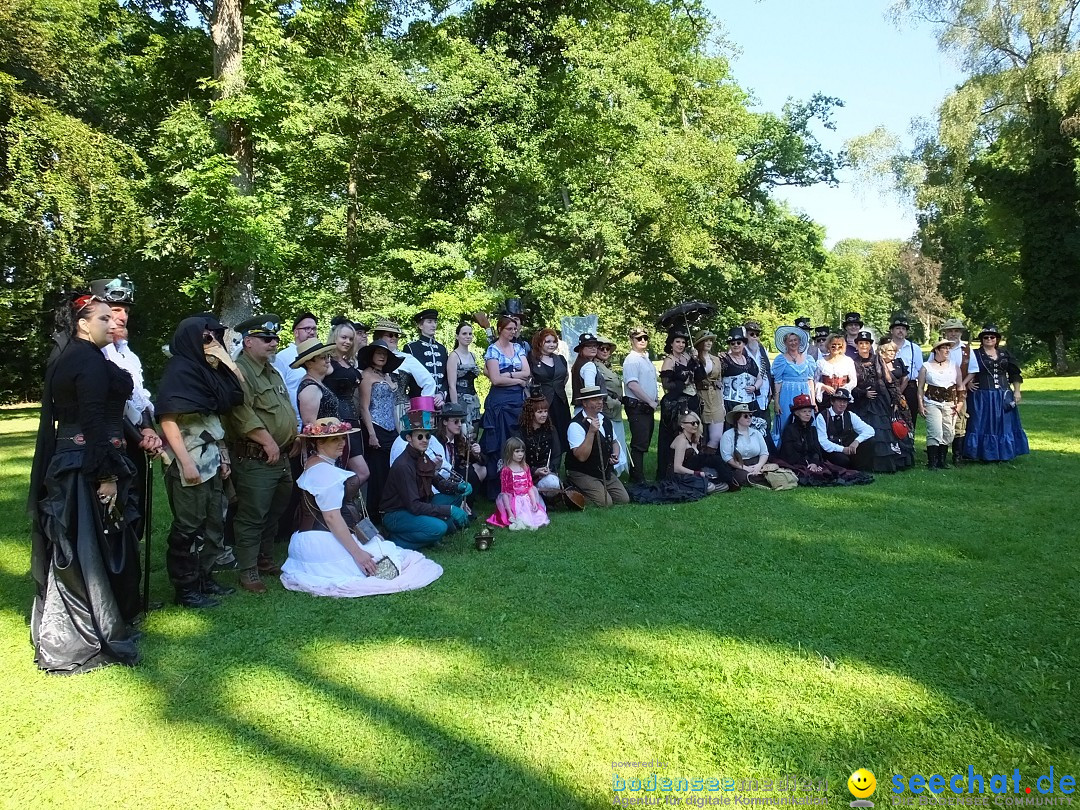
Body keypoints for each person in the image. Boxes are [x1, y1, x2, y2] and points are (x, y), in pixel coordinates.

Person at [29, 294, 142, 673]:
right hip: (85, 466)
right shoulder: (87, 361)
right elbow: (93, 421)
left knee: (89, 544)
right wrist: (106, 476)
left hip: (75, 460)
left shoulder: (78, 356)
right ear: (83, 324)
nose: (114, 324)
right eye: (105, 319)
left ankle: (105, 616)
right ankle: (87, 631)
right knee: (88, 549)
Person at [279, 418, 443, 597]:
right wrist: (358, 554)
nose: (342, 443)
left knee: (382, 546)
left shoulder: (314, 462)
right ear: (319, 442)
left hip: (304, 540)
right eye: (335, 439)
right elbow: (332, 518)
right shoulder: (325, 473)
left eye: (343, 438)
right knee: (386, 565)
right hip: (322, 542)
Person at [157, 315, 245, 609]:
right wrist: (186, 463)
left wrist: (223, 456)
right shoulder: (179, 371)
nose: (212, 342)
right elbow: (167, 419)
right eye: (206, 337)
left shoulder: (207, 371)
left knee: (213, 523)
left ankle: (205, 578)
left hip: (210, 456)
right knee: (188, 526)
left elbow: (235, 395)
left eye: (214, 336)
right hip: (188, 458)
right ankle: (186, 589)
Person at [223, 314, 298, 593]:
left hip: (281, 455)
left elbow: (282, 409)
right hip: (255, 456)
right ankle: (248, 569)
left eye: (276, 338)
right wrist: (267, 441)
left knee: (275, 510)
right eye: (267, 339)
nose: (273, 343)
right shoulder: (240, 371)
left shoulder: (272, 370)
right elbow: (241, 414)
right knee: (252, 514)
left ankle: (264, 558)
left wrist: (294, 435)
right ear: (249, 341)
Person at [92, 276, 162, 541]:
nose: (122, 317)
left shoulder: (126, 354)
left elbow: (139, 400)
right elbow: (108, 408)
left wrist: (149, 430)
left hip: (132, 446)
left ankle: (128, 576)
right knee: (111, 520)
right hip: (106, 445)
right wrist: (141, 436)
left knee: (134, 513)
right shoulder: (92, 353)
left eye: (126, 312)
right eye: (115, 310)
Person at [380, 407, 471, 549]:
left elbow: (438, 481)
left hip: (418, 505)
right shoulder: (403, 465)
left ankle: (430, 530)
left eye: (427, 436)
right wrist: (449, 510)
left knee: (455, 496)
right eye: (420, 436)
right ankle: (396, 539)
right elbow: (414, 506)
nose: (425, 440)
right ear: (409, 438)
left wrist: (458, 487)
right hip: (397, 514)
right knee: (439, 528)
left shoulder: (423, 457)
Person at [479, 315, 531, 498]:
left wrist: (506, 375)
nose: (513, 332)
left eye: (515, 329)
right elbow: (495, 379)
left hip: (517, 402)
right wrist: (515, 378)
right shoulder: (493, 350)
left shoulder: (518, 348)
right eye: (509, 329)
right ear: (500, 329)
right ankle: (498, 488)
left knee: (518, 441)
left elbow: (528, 372)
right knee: (500, 443)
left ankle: (518, 483)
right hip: (499, 403)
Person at [963, 324, 1029, 462]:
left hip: (1003, 394)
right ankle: (981, 454)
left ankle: (1003, 453)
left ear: (997, 339)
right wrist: (968, 382)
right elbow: (966, 371)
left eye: (992, 337)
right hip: (982, 395)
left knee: (1003, 423)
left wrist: (1017, 391)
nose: (989, 339)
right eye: (985, 337)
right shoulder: (975, 354)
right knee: (981, 423)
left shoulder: (1005, 354)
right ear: (981, 339)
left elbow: (1014, 373)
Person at [851, 330, 912, 473]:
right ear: (857, 345)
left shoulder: (877, 358)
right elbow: (851, 384)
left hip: (881, 400)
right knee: (863, 430)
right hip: (862, 403)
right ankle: (865, 463)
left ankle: (885, 464)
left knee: (884, 430)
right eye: (861, 343)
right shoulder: (853, 362)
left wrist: (896, 398)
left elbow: (888, 379)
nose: (864, 346)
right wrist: (863, 393)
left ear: (870, 345)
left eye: (866, 343)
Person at [778, 394, 873, 485]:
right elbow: (789, 452)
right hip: (798, 462)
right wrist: (808, 463)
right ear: (796, 413)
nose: (808, 414)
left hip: (818, 459)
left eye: (809, 411)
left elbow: (815, 449)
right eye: (804, 412)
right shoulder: (790, 430)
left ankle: (859, 467)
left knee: (868, 444)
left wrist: (814, 463)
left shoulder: (812, 429)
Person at [357, 339, 405, 517]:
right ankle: (374, 512)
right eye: (379, 353)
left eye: (385, 354)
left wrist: (399, 429)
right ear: (371, 355)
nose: (382, 357)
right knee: (377, 471)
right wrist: (371, 434)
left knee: (390, 468)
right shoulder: (366, 376)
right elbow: (364, 407)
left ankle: (389, 507)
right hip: (375, 427)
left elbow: (393, 405)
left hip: (391, 429)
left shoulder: (388, 376)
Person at [324, 317, 371, 486]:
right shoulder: (327, 362)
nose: (347, 342)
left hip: (353, 423)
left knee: (356, 473)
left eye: (351, 339)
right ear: (334, 337)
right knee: (358, 472)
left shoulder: (347, 362)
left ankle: (344, 508)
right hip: (337, 423)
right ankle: (338, 508)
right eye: (343, 337)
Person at [565, 386, 629, 507]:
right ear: (584, 403)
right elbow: (581, 457)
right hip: (583, 472)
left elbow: (614, 442)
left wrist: (615, 455)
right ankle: (574, 489)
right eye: (595, 399)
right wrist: (591, 432)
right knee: (605, 502)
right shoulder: (576, 425)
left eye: (600, 398)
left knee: (623, 499)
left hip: (603, 470)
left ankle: (598, 488)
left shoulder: (605, 420)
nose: (600, 402)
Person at [657, 328, 701, 484]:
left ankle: (689, 467)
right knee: (676, 435)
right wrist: (684, 383)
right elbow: (667, 384)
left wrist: (696, 360)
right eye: (677, 342)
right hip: (675, 405)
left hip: (691, 401)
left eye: (683, 342)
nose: (681, 345)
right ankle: (671, 471)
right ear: (671, 344)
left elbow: (700, 376)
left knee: (693, 433)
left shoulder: (687, 357)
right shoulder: (669, 361)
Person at [370, 318, 442, 413]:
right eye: (390, 335)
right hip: (375, 410)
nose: (394, 338)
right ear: (379, 337)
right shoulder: (369, 357)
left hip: (399, 410)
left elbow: (429, 382)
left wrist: (419, 405)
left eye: (396, 335)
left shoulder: (406, 358)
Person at [918, 339, 965, 469]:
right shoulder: (926, 367)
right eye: (944, 348)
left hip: (950, 402)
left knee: (948, 432)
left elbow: (960, 386)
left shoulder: (953, 365)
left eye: (948, 348)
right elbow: (921, 388)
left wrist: (960, 402)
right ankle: (932, 462)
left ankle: (942, 461)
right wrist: (921, 405)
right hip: (932, 402)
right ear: (937, 350)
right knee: (935, 431)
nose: (947, 350)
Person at [621, 326, 659, 485]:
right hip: (638, 407)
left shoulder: (645, 358)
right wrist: (649, 401)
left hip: (647, 408)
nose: (643, 340)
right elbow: (632, 384)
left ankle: (637, 475)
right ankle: (637, 477)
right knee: (639, 443)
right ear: (631, 340)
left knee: (644, 440)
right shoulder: (632, 359)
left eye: (645, 338)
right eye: (639, 338)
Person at [486, 437, 550, 530]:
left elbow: (529, 487)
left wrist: (534, 502)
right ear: (509, 452)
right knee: (520, 518)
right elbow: (505, 492)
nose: (520, 454)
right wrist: (509, 511)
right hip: (514, 501)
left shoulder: (525, 467)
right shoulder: (506, 470)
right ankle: (513, 515)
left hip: (526, 498)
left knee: (539, 516)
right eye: (517, 451)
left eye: (522, 451)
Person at [770, 325, 816, 447]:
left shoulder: (809, 359)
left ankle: (807, 449)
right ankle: (785, 449)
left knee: (806, 420)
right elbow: (777, 382)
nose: (793, 343)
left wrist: (813, 400)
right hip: (787, 393)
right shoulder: (781, 360)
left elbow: (810, 381)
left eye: (795, 340)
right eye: (790, 340)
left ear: (800, 341)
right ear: (785, 343)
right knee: (787, 419)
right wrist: (776, 402)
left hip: (804, 392)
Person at [273, 312, 319, 429]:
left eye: (314, 328)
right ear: (296, 332)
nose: (312, 332)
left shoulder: (320, 356)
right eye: (307, 329)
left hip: (319, 421)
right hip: (295, 424)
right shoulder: (283, 357)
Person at [435, 402, 486, 501]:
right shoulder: (436, 440)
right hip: (439, 478)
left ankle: (467, 502)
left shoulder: (459, 440)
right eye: (455, 422)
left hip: (454, 476)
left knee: (477, 470)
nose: (459, 425)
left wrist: (476, 454)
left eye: (461, 421)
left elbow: (477, 460)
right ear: (445, 422)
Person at [529, 327, 572, 446]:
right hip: (542, 404)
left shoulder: (560, 359)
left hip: (561, 401)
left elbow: (565, 376)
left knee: (564, 432)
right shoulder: (532, 359)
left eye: (554, 342)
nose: (552, 344)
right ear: (539, 342)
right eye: (548, 341)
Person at [812, 389, 875, 469]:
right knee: (843, 460)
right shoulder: (822, 416)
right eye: (839, 401)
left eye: (845, 402)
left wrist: (857, 441)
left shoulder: (850, 415)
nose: (842, 404)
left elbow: (870, 430)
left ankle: (859, 468)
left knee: (870, 441)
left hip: (848, 447)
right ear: (832, 402)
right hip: (832, 450)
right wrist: (842, 449)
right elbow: (823, 441)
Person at [594, 335, 628, 476]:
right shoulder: (594, 366)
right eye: (602, 348)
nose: (605, 351)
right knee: (610, 439)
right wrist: (611, 401)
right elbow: (597, 389)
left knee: (617, 438)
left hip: (615, 409)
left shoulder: (608, 366)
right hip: (607, 408)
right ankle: (610, 470)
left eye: (608, 349)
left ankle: (616, 470)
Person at [669, 411, 727, 494]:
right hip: (679, 476)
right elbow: (677, 468)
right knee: (710, 486)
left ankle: (704, 486)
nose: (696, 425)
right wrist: (697, 473)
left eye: (697, 423)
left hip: (691, 474)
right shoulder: (681, 441)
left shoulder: (694, 440)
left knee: (723, 484)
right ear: (682, 425)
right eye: (692, 423)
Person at [517, 388, 564, 491]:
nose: (544, 415)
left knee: (552, 483)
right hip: (525, 475)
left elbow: (556, 455)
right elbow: (516, 458)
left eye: (545, 411)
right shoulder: (520, 432)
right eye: (540, 412)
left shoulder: (551, 430)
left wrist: (550, 469)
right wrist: (534, 471)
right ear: (530, 413)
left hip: (547, 474)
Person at [940, 317, 971, 464]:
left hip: (960, 392)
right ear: (945, 332)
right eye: (950, 331)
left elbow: (973, 370)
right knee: (942, 422)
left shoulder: (967, 350)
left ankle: (957, 456)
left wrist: (963, 385)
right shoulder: (939, 348)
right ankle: (941, 456)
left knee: (960, 422)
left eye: (956, 331)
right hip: (941, 392)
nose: (953, 333)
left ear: (960, 333)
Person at [719, 403, 770, 488]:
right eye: (745, 416)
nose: (749, 418)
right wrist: (745, 468)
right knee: (741, 476)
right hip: (738, 465)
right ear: (737, 418)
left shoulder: (756, 433)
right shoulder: (728, 435)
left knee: (767, 472)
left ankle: (759, 477)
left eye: (750, 415)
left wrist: (759, 466)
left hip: (756, 462)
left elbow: (764, 452)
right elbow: (727, 457)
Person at [719, 327, 760, 430]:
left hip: (750, 403)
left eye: (738, 342)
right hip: (731, 403)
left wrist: (755, 387)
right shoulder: (724, 360)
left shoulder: (750, 360)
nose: (736, 345)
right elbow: (717, 380)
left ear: (744, 344)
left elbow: (759, 378)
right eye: (732, 343)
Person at [888, 312, 924, 429]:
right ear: (892, 330)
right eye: (898, 328)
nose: (900, 331)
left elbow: (921, 372)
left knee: (910, 419)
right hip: (890, 387)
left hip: (910, 388)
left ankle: (909, 445)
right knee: (890, 418)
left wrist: (921, 395)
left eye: (903, 329)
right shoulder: (885, 347)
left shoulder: (915, 348)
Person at [293, 338, 340, 425]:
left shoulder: (316, 382)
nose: (328, 361)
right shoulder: (310, 388)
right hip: (320, 438)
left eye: (328, 356)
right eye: (323, 357)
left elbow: (331, 370)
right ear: (309, 363)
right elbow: (309, 425)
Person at [404, 308, 449, 400]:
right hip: (419, 401)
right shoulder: (411, 348)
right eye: (429, 322)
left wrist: (441, 394)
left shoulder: (442, 349)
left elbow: (447, 376)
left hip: (441, 402)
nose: (433, 325)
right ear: (420, 325)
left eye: (435, 322)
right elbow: (406, 378)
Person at [446, 320, 482, 428]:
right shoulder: (454, 356)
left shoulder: (473, 356)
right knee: (463, 431)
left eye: (470, 334)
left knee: (474, 432)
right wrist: (456, 409)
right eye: (464, 334)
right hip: (460, 400)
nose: (468, 336)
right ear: (457, 336)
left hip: (474, 399)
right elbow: (452, 385)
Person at [693, 329, 725, 451]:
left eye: (710, 340)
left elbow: (720, 380)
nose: (708, 343)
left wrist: (722, 403)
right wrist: (695, 360)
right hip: (700, 396)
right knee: (698, 434)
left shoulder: (716, 359)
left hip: (716, 397)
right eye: (705, 340)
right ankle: (698, 462)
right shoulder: (694, 359)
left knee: (717, 436)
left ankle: (709, 460)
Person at [815, 333, 857, 405]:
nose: (836, 347)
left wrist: (843, 389)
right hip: (826, 398)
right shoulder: (820, 362)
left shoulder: (848, 361)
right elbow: (815, 381)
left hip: (843, 398)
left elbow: (853, 381)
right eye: (833, 344)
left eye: (839, 345)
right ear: (828, 345)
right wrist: (824, 387)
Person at [743, 320, 772, 420]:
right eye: (751, 334)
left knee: (765, 425)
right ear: (745, 335)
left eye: (757, 334)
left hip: (764, 394)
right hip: (749, 394)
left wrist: (771, 390)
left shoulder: (762, 349)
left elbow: (768, 370)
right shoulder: (741, 350)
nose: (755, 336)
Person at [570, 331, 603, 404]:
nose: (593, 348)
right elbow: (590, 390)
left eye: (595, 346)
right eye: (589, 346)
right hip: (589, 408)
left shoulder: (578, 363)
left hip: (582, 407)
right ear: (581, 349)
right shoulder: (589, 366)